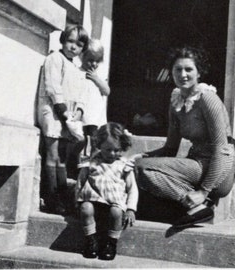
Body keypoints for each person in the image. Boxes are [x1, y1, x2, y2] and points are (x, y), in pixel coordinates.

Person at [135, 46, 235, 229]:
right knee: (137, 166)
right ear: (171, 72)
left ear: (199, 73)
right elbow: (170, 149)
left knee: (141, 169)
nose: (183, 74)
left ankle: (200, 205)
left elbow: (223, 150)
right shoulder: (176, 100)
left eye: (189, 69)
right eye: (178, 69)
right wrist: (142, 156)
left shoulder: (208, 99)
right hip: (196, 162)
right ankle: (193, 207)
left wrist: (203, 192)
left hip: (220, 167)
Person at [36, 24, 89, 215]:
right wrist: (64, 112)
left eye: (79, 44)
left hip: (68, 116)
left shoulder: (76, 68)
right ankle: (51, 198)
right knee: (52, 154)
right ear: (63, 40)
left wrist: (79, 111)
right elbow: (52, 88)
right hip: (53, 111)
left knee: (62, 158)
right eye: (70, 41)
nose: (73, 47)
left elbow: (81, 93)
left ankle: (61, 196)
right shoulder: (54, 59)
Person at [75, 122, 138, 260]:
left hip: (114, 203)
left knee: (116, 212)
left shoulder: (123, 165)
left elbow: (132, 188)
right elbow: (80, 181)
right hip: (93, 201)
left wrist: (131, 209)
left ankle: (111, 242)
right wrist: (76, 201)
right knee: (86, 208)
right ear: (99, 145)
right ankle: (91, 240)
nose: (112, 153)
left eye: (116, 150)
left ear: (122, 147)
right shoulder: (91, 161)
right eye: (107, 149)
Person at [79, 39, 110, 157]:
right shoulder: (78, 72)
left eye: (97, 61)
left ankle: (93, 165)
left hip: (96, 115)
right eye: (90, 60)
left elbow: (106, 91)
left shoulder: (99, 75)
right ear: (82, 56)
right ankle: (81, 167)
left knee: (95, 142)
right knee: (82, 142)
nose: (94, 64)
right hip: (83, 113)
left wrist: (96, 79)